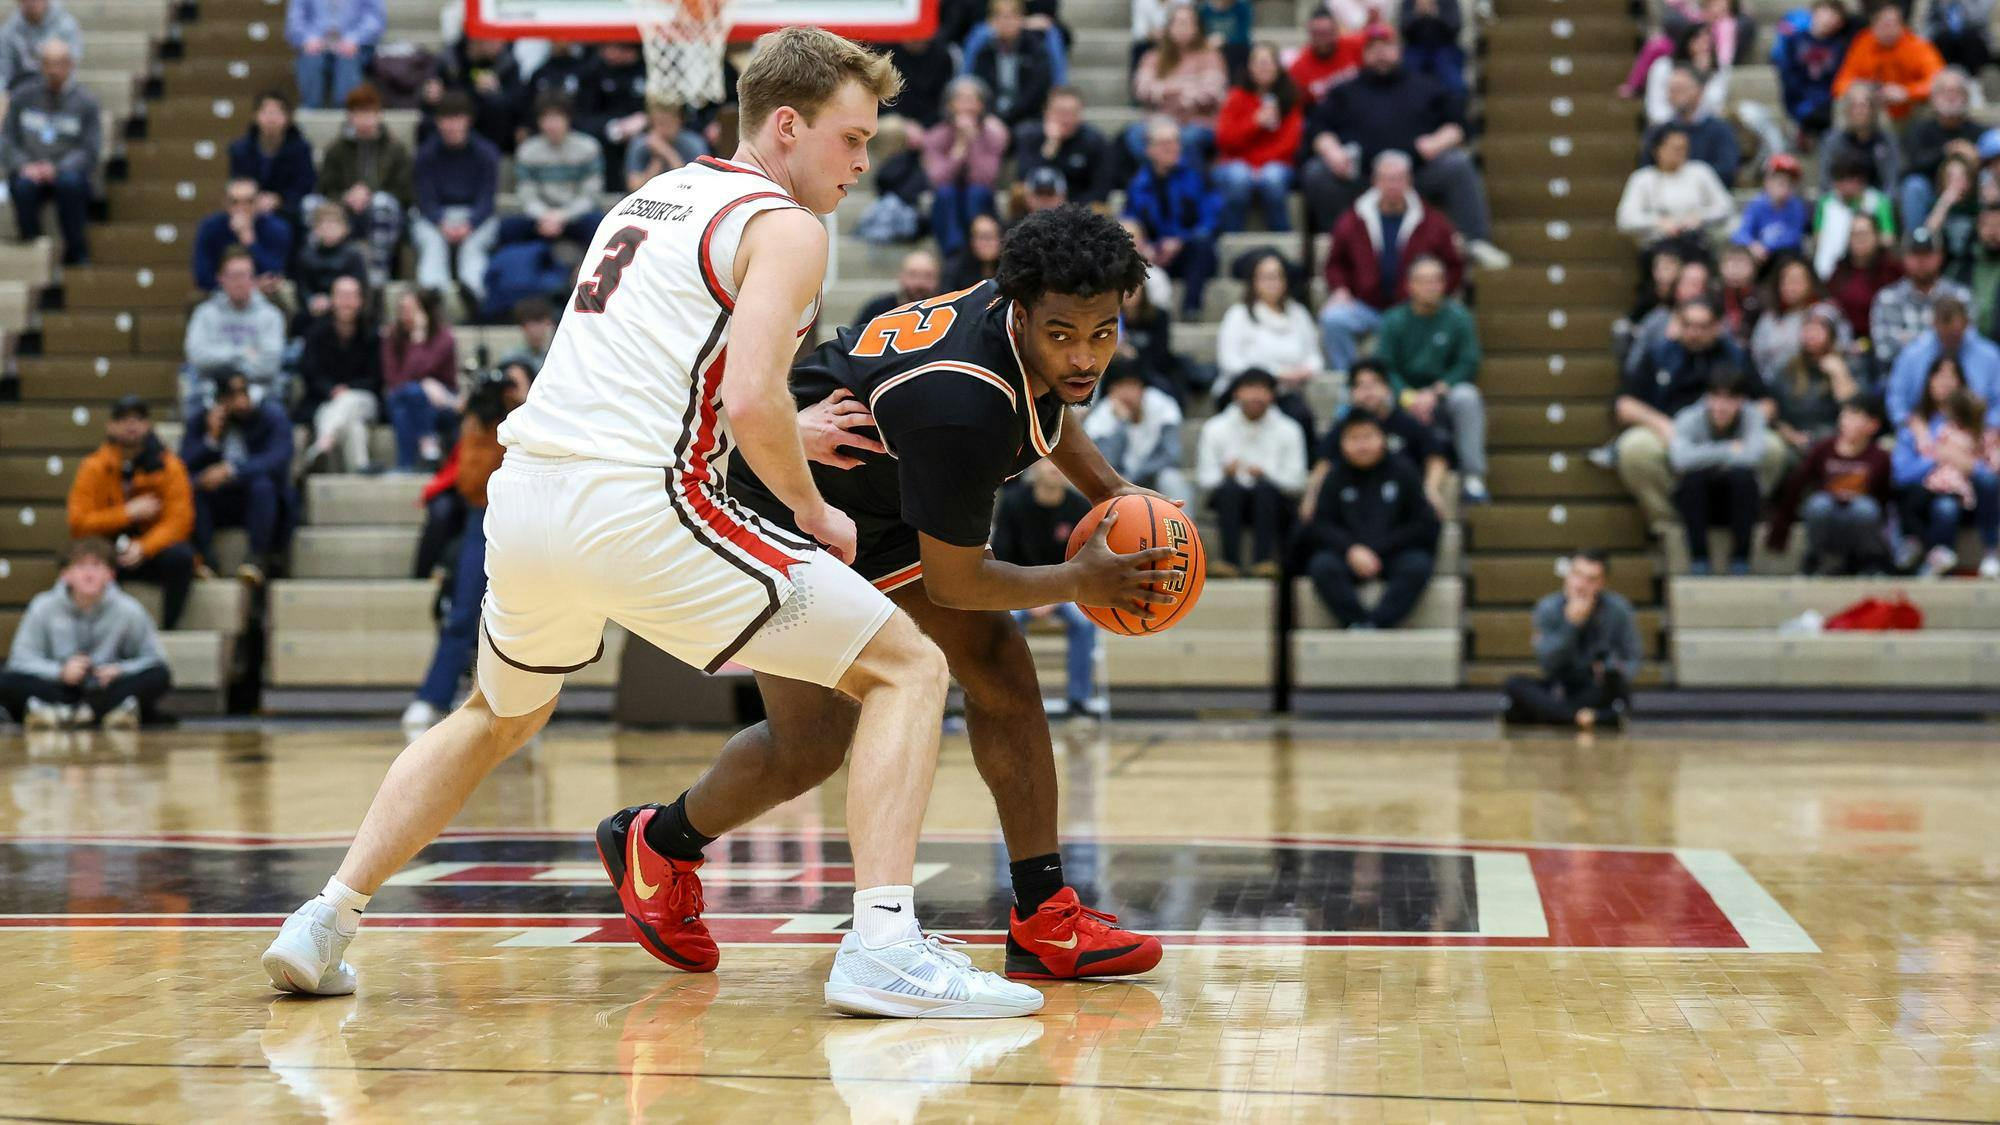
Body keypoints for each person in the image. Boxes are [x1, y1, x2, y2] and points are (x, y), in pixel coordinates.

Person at [261, 28, 1045, 1020]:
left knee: (497, 714)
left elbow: (666, 365)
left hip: (530, 495)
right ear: (789, 125)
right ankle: (883, 946)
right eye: (850, 139)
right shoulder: (789, 226)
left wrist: (772, 417)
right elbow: (755, 394)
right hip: (639, 502)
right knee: (909, 666)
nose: (860, 162)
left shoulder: (656, 194)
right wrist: (812, 508)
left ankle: (323, 921)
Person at [724, 207, 1173, 984]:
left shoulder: (1019, 318)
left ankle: (1043, 914)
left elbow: (1049, 403)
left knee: (999, 662)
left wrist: (1120, 494)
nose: (1084, 357)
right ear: (1023, 314)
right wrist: (1078, 581)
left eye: (1103, 334)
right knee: (810, 746)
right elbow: (955, 580)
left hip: (881, 499)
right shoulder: (964, 404)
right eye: (1064, 334)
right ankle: (657, 846)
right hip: (777, 504)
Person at [1299, 24, 1505, 267]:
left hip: (1416, 175)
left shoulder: (1426, 86)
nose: (1381, 53)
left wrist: (1438, 142)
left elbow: (1459, 125)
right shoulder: (1344, 91)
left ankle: (1476, 240)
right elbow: (1317, 128)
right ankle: (1340, 243)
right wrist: (1332, 150)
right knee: (1316, 172)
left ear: (1399, 50)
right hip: (1361, 178)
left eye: (1387, 46)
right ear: (1364, 53)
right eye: (1374, 48)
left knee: (1457, 164)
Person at [399, 365, 531, 732]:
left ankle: (519, 705)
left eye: (516, 383)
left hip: (529, 522)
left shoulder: (541, 414)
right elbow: (471, 481)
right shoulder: (480, 419)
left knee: (522, 618)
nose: (507, 390)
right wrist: (485, 416)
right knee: (461, 614)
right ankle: (432, 697)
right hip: (483, 517)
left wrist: (523, 407)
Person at [1614, 297, 1783, 528]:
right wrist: (1662, 425)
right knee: (1634, 447)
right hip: (1672, 432)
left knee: (1773, 448)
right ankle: (1671, 522)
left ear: (1717, 326)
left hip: (1730, 432)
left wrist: (1741, 422)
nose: (1694, 333)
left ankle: (1742, 514)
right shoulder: (1659, 354)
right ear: (1678, 323)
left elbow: (1768, 404)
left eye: (1702, 327)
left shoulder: (1736, 355)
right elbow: (1624, 405)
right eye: (1688, 325)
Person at [0, 538, 171, 731]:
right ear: (65, 574)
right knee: (5, 680)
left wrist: (120, 670)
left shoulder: (129, 609)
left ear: (111, 574)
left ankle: (62, 712)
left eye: (97, 566)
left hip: (105, 689)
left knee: (159, 676)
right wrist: (60, 672)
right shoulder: (43, 606)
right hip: (59, 687)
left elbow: (155, 659)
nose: (89, 574)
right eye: (81, 566)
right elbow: (20, 659)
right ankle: (104, 712)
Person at [1319, 150, 1465, 372]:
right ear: (1375, 181)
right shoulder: (1353, 220)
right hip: (1366, 306)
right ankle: (1350, 383)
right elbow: (1335, 263)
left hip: (1413, 309)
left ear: (1409, 181)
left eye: (1398, 178)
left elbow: (1453, 266)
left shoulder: (1434, 222)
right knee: (1333, 319)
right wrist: (1340, 289)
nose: (1393, 185)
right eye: (1387, 178)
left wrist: (1435, 295)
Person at [1296, 410, 1439, 629]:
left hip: (1394, 552)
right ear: (1342, 443)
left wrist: (1380, 549)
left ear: (1382, 438)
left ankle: (1377, 623)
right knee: (1322, 566)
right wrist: (1351, 549)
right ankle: (1356, 621)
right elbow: (1319, 525)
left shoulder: (1404, 470)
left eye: (1368, 437)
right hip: (1349, 555)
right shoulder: (1334, 475)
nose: (1362, 445)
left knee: (1418, 565)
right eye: (1354, 438)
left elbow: (1425, 524)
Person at [65, 396, 195, 629]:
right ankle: (86, 629)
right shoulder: (93, 467)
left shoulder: (170, 467)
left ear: (148, 425)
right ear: (111, 426)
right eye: (124, 419)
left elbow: (179, 521)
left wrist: (145, 547)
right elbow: (79, 522)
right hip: (108, 551)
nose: (131, 425)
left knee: (182, 557)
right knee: (82, 561)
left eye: (138, 418)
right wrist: (126, 513)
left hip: (151, 551)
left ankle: (169, 628)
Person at [992, 460, 1101, 717]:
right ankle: (1011, 697)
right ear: (1032, 467)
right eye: (1048, 462)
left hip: (1064, 593)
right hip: (1018, 590)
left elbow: (1083, 564)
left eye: (1061, 464)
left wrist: (1052, 597)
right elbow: (1001, 558)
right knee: (1005, 622)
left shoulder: (1079, 507)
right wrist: (1032, 597)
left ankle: (1078, 701)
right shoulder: (1013, 502)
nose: (1056, 467)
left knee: (1085, 623)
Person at [1373, 255, 1486, 503]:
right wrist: (1408, 395)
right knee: (1375, 395)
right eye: (1423, 281)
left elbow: (1468, 362)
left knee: (1468, 396)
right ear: (1410, 285)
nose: (1430, 286)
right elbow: (1384, 367)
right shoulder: (1393, 320)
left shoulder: (1459, 318)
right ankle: (1379, 471)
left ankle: (1473, 477)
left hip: (1442, 393)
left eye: (1436, 280)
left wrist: (1437, 391)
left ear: (1444, 284)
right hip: (1402, 393)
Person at [1501, 550, 1639, 731]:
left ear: (1602, 583)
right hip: (1560, 687)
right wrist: (1572, 625)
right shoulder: (1548, 607)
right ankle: (1585, 718)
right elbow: (1547, 663)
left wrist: (1610, 667)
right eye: (1577, 575)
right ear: (1568, 576)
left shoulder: (1618, 609)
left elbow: (1632, 658)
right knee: (1514, 684)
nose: (1581, 585)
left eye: (1591, 579)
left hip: (1596, 687)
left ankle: (1555, 716)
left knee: (1618, 690)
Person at [180, 370, 294, 581]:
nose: (241, 401)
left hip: (260, 501)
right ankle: (206, 561)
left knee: (263, 485)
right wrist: (211, 440)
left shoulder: (270, 416)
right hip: (220, 502)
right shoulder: (201, 421)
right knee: (194, 489)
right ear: (219, 400)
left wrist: (231, 471)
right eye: (232, 395)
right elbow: (181, 467)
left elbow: (278, 458)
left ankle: (257, 559)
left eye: (244, 392)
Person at [1892, 355, 2000, 575]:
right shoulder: (1916, 425)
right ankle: (1930, 555)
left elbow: (1990, 466)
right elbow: (1901, 475)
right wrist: (1937, 456)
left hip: (1971, 496)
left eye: (1952, 376)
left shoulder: (1978, 427)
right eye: (1939, 375)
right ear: (1928, 381)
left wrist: (1967, 465)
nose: (1945, 382)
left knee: (1984, 482)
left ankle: (1991, 549)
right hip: (1929, 494)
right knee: (1943, 507)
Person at [1197, 367, 1308, 575]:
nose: (1256, 395)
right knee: (1229, 490)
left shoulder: (1289, 428)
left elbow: (1297, 481)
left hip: (1274, 502)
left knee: (1265, 490)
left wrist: (1266, 474)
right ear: (1236, 393)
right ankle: (1228, 562)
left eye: (1262, 389)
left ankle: (1264, 561)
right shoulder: (1215, 427)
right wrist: (1225, 473)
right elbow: (1205, 478)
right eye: (1249, 388)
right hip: (1229, 499)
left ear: (1273, 395)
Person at [1305, 359, 1449, 518]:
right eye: (1360, 386)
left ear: (1387, 388)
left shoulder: (1407, 423)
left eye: (1374, 384)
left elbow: (1435, 457)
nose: (1368, 392)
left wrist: (1431, 489)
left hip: (1401, 503)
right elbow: (1323, 463)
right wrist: (1312, 496)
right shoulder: (1343, 428)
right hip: (1354, 506)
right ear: (1351, 393)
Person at [1766, 397, 1894, 574]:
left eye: (1854, 416)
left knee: (1865, 508)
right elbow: (1796, 486)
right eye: (1844, 416)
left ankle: (1869, 561)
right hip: (1828, 518)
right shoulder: (1823, 449)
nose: (1846, 422)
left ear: (1872, 425)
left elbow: (1884, 499)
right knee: (1819, 504)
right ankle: (1815, 558)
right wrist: (1780, 531)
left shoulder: (1880, 457)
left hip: (1861, 523)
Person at [307, 84, 413, 285]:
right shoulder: (336, 149)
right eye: (358, 113)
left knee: (383, 203)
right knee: (310, 205)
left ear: (379, 115)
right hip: (343, 211)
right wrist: (346, 197)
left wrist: (369, 194)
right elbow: (325, 187)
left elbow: (404, 192)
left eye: (369, 113)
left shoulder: (395, 149)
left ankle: (377, 271)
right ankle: (317, 269)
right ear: (349, 116)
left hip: (381, 212)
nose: (364, 120)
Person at [0, 38, 94, 263]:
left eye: (59, 63)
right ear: (41, 66)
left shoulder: (86, 102)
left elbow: (89, 149)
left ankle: (75, 252)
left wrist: (57, 168)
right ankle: (31, 247)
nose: (53, 70)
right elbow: (7, 140)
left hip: (66, 172)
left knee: (71, 184)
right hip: (29, 170)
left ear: (70, 65)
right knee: (22, 185)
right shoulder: (22, 97)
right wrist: (24, 165)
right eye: (48, 64)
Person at [1122, 118, 1222, 318]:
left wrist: (1181, 241)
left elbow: (1212, 219)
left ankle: (1191, 308)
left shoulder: (1197, 176)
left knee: (1202, 245)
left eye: (1175, 142)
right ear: (1149, 150)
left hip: (1189, 253)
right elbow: (1129, 220)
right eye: (1163, 143)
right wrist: (1146, 246)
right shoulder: (1139, 183)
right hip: (1155, 255)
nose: (1171, 148)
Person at [1670, 369, 1767, 575]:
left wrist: (1703, 456)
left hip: (1738, 501)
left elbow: (1754, 455)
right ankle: (1699, 559)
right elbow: (1680, 459)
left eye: (1729, 400)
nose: (1721, 407)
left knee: (1743, 478)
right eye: (1715, 398)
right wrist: (1729, 449)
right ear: (1707, 398)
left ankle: (1741, 559)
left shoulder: (1753, 416)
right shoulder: (1689, 417)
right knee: (1693, 480)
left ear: (1741, 401)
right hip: (1699, 501)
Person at [1217, 250, 1324, 434]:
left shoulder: (1298, 313)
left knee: (1301, 417)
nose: (1271, 283)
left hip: (1286, 393)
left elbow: (1314, 356)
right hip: (1245, 394)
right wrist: (1274, 374)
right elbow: (1229, 361)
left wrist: (1305, 371)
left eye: (1276, 277)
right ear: (1253, 281)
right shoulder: (1238, 315)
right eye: (1265, 277)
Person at [411, 92, 501, 304]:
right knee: (432, 244)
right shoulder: (426, 154)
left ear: (468, 121)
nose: (451, 125)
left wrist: (469, 224)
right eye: (446, 119)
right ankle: (433, 294)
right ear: (438, 122)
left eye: (457, 118)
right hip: (436, 217)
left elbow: (487, 198)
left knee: (473, 249)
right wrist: (441, 223)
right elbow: (425, 198)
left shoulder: (487, 153)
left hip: (475, 216)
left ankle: (474, 291)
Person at [295, 275, 383, 475]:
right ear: (332, 300)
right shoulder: (316, 333)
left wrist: (347, 389)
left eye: (351, 296)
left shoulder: (372, 334)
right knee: (353, 425)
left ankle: (324, 442)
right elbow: (310, 373)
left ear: (360, 301)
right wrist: (331, 390)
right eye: (342, 296)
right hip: (324, 400)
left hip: (364, 399)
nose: (346, 302)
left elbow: (377, 378)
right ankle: (360, 468)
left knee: (348, 401)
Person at [1214, 42, 1302, 233]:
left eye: (1268, 62)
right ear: (1250, 68)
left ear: (1278, 68)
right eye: (1258, 63)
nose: (1263, 68)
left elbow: (1290, 144)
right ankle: (1231, 236)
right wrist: (1255, 123)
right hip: (1236, 165)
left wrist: (1257, 167)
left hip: (1275, 166)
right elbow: (1225, 139)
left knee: (1272, 178)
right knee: (1239, 177)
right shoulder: (1236, 97)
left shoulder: (1289, 99)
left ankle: (1282, 237)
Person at [500, 93, 605, 255]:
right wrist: (544, 215)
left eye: (557, 118)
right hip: (540, 216)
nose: (551, 125)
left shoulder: (588, 147)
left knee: (598, 224)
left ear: (568, 119)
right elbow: (527, 194)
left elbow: (591, 194)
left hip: (575, 215)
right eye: (546, 119)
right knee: (508, 227)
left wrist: (563, 215)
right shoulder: (527, 150)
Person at [183, 248, 288, 407]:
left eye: (244, 275)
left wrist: (221, 359)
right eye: (233, 276)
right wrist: (242, 354)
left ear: (254, 279)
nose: (239, 282)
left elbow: (269, 365)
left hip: (260, 392)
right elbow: (197, 357)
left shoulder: (271, 315)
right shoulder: (205, 313)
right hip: (211, 390)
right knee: (195, 410)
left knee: (276, 415)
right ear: (220, 278)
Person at [920, 76, 1008, 258]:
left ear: (982, 105)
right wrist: (959, 148)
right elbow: (937, 179)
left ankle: (977, 249)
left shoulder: (994, 134)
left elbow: (986, 177)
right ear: (949, 105)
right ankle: (955, 253)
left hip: (980, 201)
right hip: (948, 201)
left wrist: (973, 142)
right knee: (945, 193)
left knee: (976, 192)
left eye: (973, 100)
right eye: (960, 100)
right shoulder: (935, 135)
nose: (966, 106)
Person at [1128, 2, 1227, 162]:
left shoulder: (1211, 57)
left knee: (1189, 138)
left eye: (1188, 23)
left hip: (1197, 122)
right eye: (1178, 22)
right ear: (1169, 27)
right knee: (1135, 134)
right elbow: (1141, 89)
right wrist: (1183, 90)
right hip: (1159, 121)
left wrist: (1165, 91)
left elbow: (1213, 93)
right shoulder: (1152, 57)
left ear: (1197, 28)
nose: (1183, 27)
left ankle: (1188, 183)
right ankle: (1155, 181)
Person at [1616, 126, 1734, 254]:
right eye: (1675, 149)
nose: (1680, 153)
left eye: (1684, 148)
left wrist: (1700, 217)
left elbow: (1726, 206)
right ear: (1657, 150)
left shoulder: (1700, 171)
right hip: (1658, 245)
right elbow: (1625, 219)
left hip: (1698, 242)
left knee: (1695, 271)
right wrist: (1658, 223)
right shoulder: (1642, 178)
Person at [1884, 295, 2000, 425]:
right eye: (1946, 335)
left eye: (1956, 335)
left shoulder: (1990, 355)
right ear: (1934, 325)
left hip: (1980, 430)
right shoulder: (1912, 355)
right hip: (1922, 432)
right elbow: (1896, 402)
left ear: (1967, 324)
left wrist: (1991, 429)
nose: (1951, 340)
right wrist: (1913, 426)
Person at [1082, 367, 1189, 501]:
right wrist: (1122, 424)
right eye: (1120, 387)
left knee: (1171, 479)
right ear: (1111, 391)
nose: (1127, 393)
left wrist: (1135, 476)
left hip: (1152, 477)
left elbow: (1170, 454)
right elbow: (1105, 463)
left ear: (1142, 388)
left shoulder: (1163, 406)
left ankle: (1184, 522)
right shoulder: (1101, 416)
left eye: (1132, 385)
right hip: (1119, 483)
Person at [1871, 226, 1972, 367]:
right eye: (1915, 254)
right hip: (1903, 377)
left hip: (1952, 377)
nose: (1921, 260)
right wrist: (1940, 341)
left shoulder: (1959, 296)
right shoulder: (1887, 298)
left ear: (1940, 256)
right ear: (1905, 257)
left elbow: (1969, 346)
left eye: (1927, 254)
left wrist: (1909, 341)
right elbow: (1885, 352)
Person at [382, 287, 459, 471]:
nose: (406, 315)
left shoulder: (444, 337)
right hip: (405, 395)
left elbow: (424, 369)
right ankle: (427, 442)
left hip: (441, 400)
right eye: (403, 310)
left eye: (412, 309)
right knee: (411, 394)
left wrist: (420, 335)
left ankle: (405, 465)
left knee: (405, 405)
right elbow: (394, 379)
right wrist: (424, 386)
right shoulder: (393, 337)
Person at [1898, 67, 1981, 234]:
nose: (1951, 96)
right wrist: (1947, 151)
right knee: (1913, 185)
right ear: (1933, 98)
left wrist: (1977, 158)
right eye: (1944, 91)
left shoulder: (1978, 132)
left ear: (1966, 97)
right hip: (1931, 193)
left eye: (1956, 91)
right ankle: (1917, 244)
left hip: (1970, 194)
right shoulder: (1919, 130)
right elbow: (1910, 168)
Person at [1770, 304, 1862, 450]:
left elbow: (1855, 409)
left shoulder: (1849, 364)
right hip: (1793, 437)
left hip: (1834, 438)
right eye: (1807, 328)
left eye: (1819, 328)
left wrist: (1839, 374)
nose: (1811, 334)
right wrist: (1791, 435)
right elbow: (1774, 410)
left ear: (1833, 334)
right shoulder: (1789, 366)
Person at [1833, 2, 1943, 122]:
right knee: (1843, 102)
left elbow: (1938, 81)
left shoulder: (1917, 45)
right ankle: (1848, 140)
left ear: (1902, 26)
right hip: (1875, 109)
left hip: (1910, 109)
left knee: (1940, 99)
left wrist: (1906, 92)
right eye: (1882, 25)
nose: (1887, 30)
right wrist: (1866, 91)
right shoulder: (1863, 42)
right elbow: (1841, 84)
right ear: (1873, 26)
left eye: (1892, 24)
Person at [227, 90, 317, 234]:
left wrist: (278, 200)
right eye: (266, 113)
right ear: (256, 116)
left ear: (287, 118)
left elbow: (305, 184)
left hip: (288, 207)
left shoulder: (301, 148)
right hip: (249, 204)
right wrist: (254, 200)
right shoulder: (240, 148)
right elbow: (237, 181)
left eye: (276, 113)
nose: (271, 119)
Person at [1638, 64, 1742, 186]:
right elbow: (1646, 170)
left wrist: (1688, 176)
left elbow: (1728, 170)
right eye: (1671, 90)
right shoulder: (1658, 131)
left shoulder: (1721, 130)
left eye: (1680, 89)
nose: (1673, 95)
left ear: (1699, 91)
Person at [1011, 86, 1114, 208]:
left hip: (1078, 210)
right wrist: (1049, 148)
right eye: (1060, 112)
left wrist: (1069, 209)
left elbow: (1101, 189)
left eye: (1072, 113)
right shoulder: (1029, 136)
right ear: (1046, 111)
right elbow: (1024, 179)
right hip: (1036, 206)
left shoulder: (1094, 141)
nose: (1066, 119)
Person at [965, 0, 1054, 128]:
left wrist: (1010, 115)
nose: (1006, 22)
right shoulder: (984, 52)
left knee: (1026, 132)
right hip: (991, 115)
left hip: (1028, 115)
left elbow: (1036, 91)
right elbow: (981, 87)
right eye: (1000, 17)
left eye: (1011, 17)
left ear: (1022, 20)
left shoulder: (1036, 50)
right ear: (991, 22)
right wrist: (994, 115)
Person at [192, 179, 291, 293]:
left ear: (258, 202)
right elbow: (202, 276)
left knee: (285, 291)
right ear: (225, 203)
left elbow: (274, 272)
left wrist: (250, 242)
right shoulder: (210, 227)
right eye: (235, 202)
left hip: (265, 293)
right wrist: (245, 287)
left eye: (249, 201)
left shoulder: (277, 228)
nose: (242, 208)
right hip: (220, 292)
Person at [1776, 0, 1853, 137]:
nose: (1829, 19)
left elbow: (1837, 79)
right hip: (1799, 100)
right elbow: (1787, 73)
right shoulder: (1794, 41)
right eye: (1826, 12)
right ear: (1814, 12)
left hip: (1826, 102)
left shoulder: (1838, 47)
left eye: (1835, 16)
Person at [286, 0, 382, 109]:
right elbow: (295, 21)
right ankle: (311, 109)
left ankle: (345, 109)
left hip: (353, 43)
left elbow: (374, 21)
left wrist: (354, 39)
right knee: (311, 58)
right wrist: (308, 38)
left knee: (347, 57)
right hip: (316, 42)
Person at [1750, 255, 1836, 377]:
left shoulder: (1824, 312)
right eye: (1786, 280)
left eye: (1797, 280)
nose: (1791, 286)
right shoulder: (1769, 317)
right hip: (1771, 383)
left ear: (1811, 282)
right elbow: (1757, 352)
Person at [289, 202, 370, 325]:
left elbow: (361, 289)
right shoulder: (306, 255)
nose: (329, 229)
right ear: (315, 229)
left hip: (347, 310)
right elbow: (302, 288)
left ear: (344, 228)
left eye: (334, 224)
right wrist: (312, 301)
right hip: (314, 312)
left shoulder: (353, 256)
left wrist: (333, 301)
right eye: (324, 224)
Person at [1825, 212, 1902, 338]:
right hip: (1846, 339)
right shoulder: (1840, 269)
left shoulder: (1892, 268)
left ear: (1877, 236)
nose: (1859, 239)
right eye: (1854, 234)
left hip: (1885, 337)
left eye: (1864, 234)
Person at [1818, 82, 1902, 194]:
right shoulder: (1832, 141)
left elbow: (1891, 182)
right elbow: (1827, 182)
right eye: (1854, 106)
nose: (1859, 111)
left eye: (1864, 105)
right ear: (1846, 110)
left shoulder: (1886, 140)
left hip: (1879, 202)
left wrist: (1881, 206)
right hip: (1841, 202)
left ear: (1873, 110)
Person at [1733, 153, 1810, 265]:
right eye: (1779, 182)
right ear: (1767, 182)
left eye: (1790, 183)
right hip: (1762, 259)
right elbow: (1741, 233)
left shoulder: (1796, 206)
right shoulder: (1757, 205)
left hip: (1786, 258)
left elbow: (1794, 237)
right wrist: (1753, 245)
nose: (1785, 187)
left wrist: (1768, 246)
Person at [623, 98, 708, 191]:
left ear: (679, 121)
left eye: (668, 122)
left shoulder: (694, 144)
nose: (663, 128)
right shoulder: (640, 144)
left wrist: (667, 153)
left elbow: (693, 186)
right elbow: (634, 188)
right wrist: (657, 161)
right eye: (659, 122)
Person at [0, 0, 81, 94]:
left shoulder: (65, 26)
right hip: (20, 90)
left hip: (55, 87)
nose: (32, 3)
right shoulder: (9, 31)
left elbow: (70, 66)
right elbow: (3, 71)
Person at [1286, 10, 1362, 104]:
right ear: (1310, 34)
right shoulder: (1298, 68)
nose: (1322, 39)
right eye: (1317, 33)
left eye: (1326, 32)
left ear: (1336, 31)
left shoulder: (1355, 44)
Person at [852, 249, 941, 331]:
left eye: (928, 276)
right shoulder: (877, 309)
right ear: (901, 276)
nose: (920, 283)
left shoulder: (946, 312)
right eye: (913, 275)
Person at [941, 211, 1004, 291]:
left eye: (991, 236)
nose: (987, 243)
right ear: (971, 240)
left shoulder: (1009, 270)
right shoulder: (955, 270)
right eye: (982, 237)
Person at [1926, 0, 1993, 74]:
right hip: (1945, 36)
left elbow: (1979, 17)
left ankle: (1972, 78)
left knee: (1970, 39)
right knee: (1942, 39)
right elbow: (1931, 21)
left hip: (1974, 36)